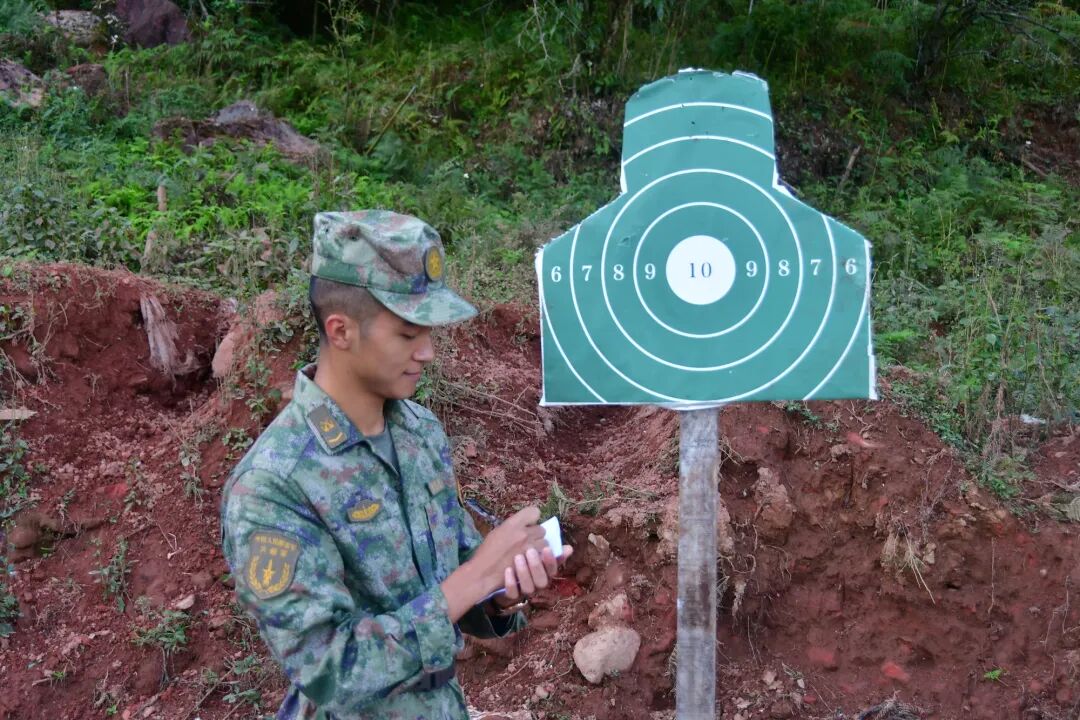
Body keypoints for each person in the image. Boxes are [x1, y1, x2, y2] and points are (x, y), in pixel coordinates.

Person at [220, 210, 572, 720]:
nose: (427, 352)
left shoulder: (418, 432)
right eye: (407, 335)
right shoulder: (274, 482)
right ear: (341, 330)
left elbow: (457, 578)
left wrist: (500, 590)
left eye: (427, 332)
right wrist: (476, 577)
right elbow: (330, 671)